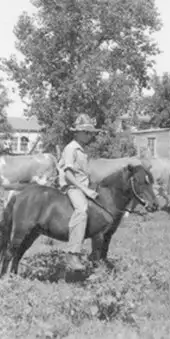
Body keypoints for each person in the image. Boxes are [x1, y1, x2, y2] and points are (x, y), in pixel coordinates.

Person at [60, 114, 103, 271]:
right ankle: (72, 253)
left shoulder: (82, 150)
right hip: (73, 187)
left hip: (83, 186)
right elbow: (68, 174)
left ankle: (96, 255)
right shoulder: (71, 149)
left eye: (90, 133)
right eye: (86, 132)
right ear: (77, 132)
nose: (89, 135)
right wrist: (85, 189)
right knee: (82, 210)